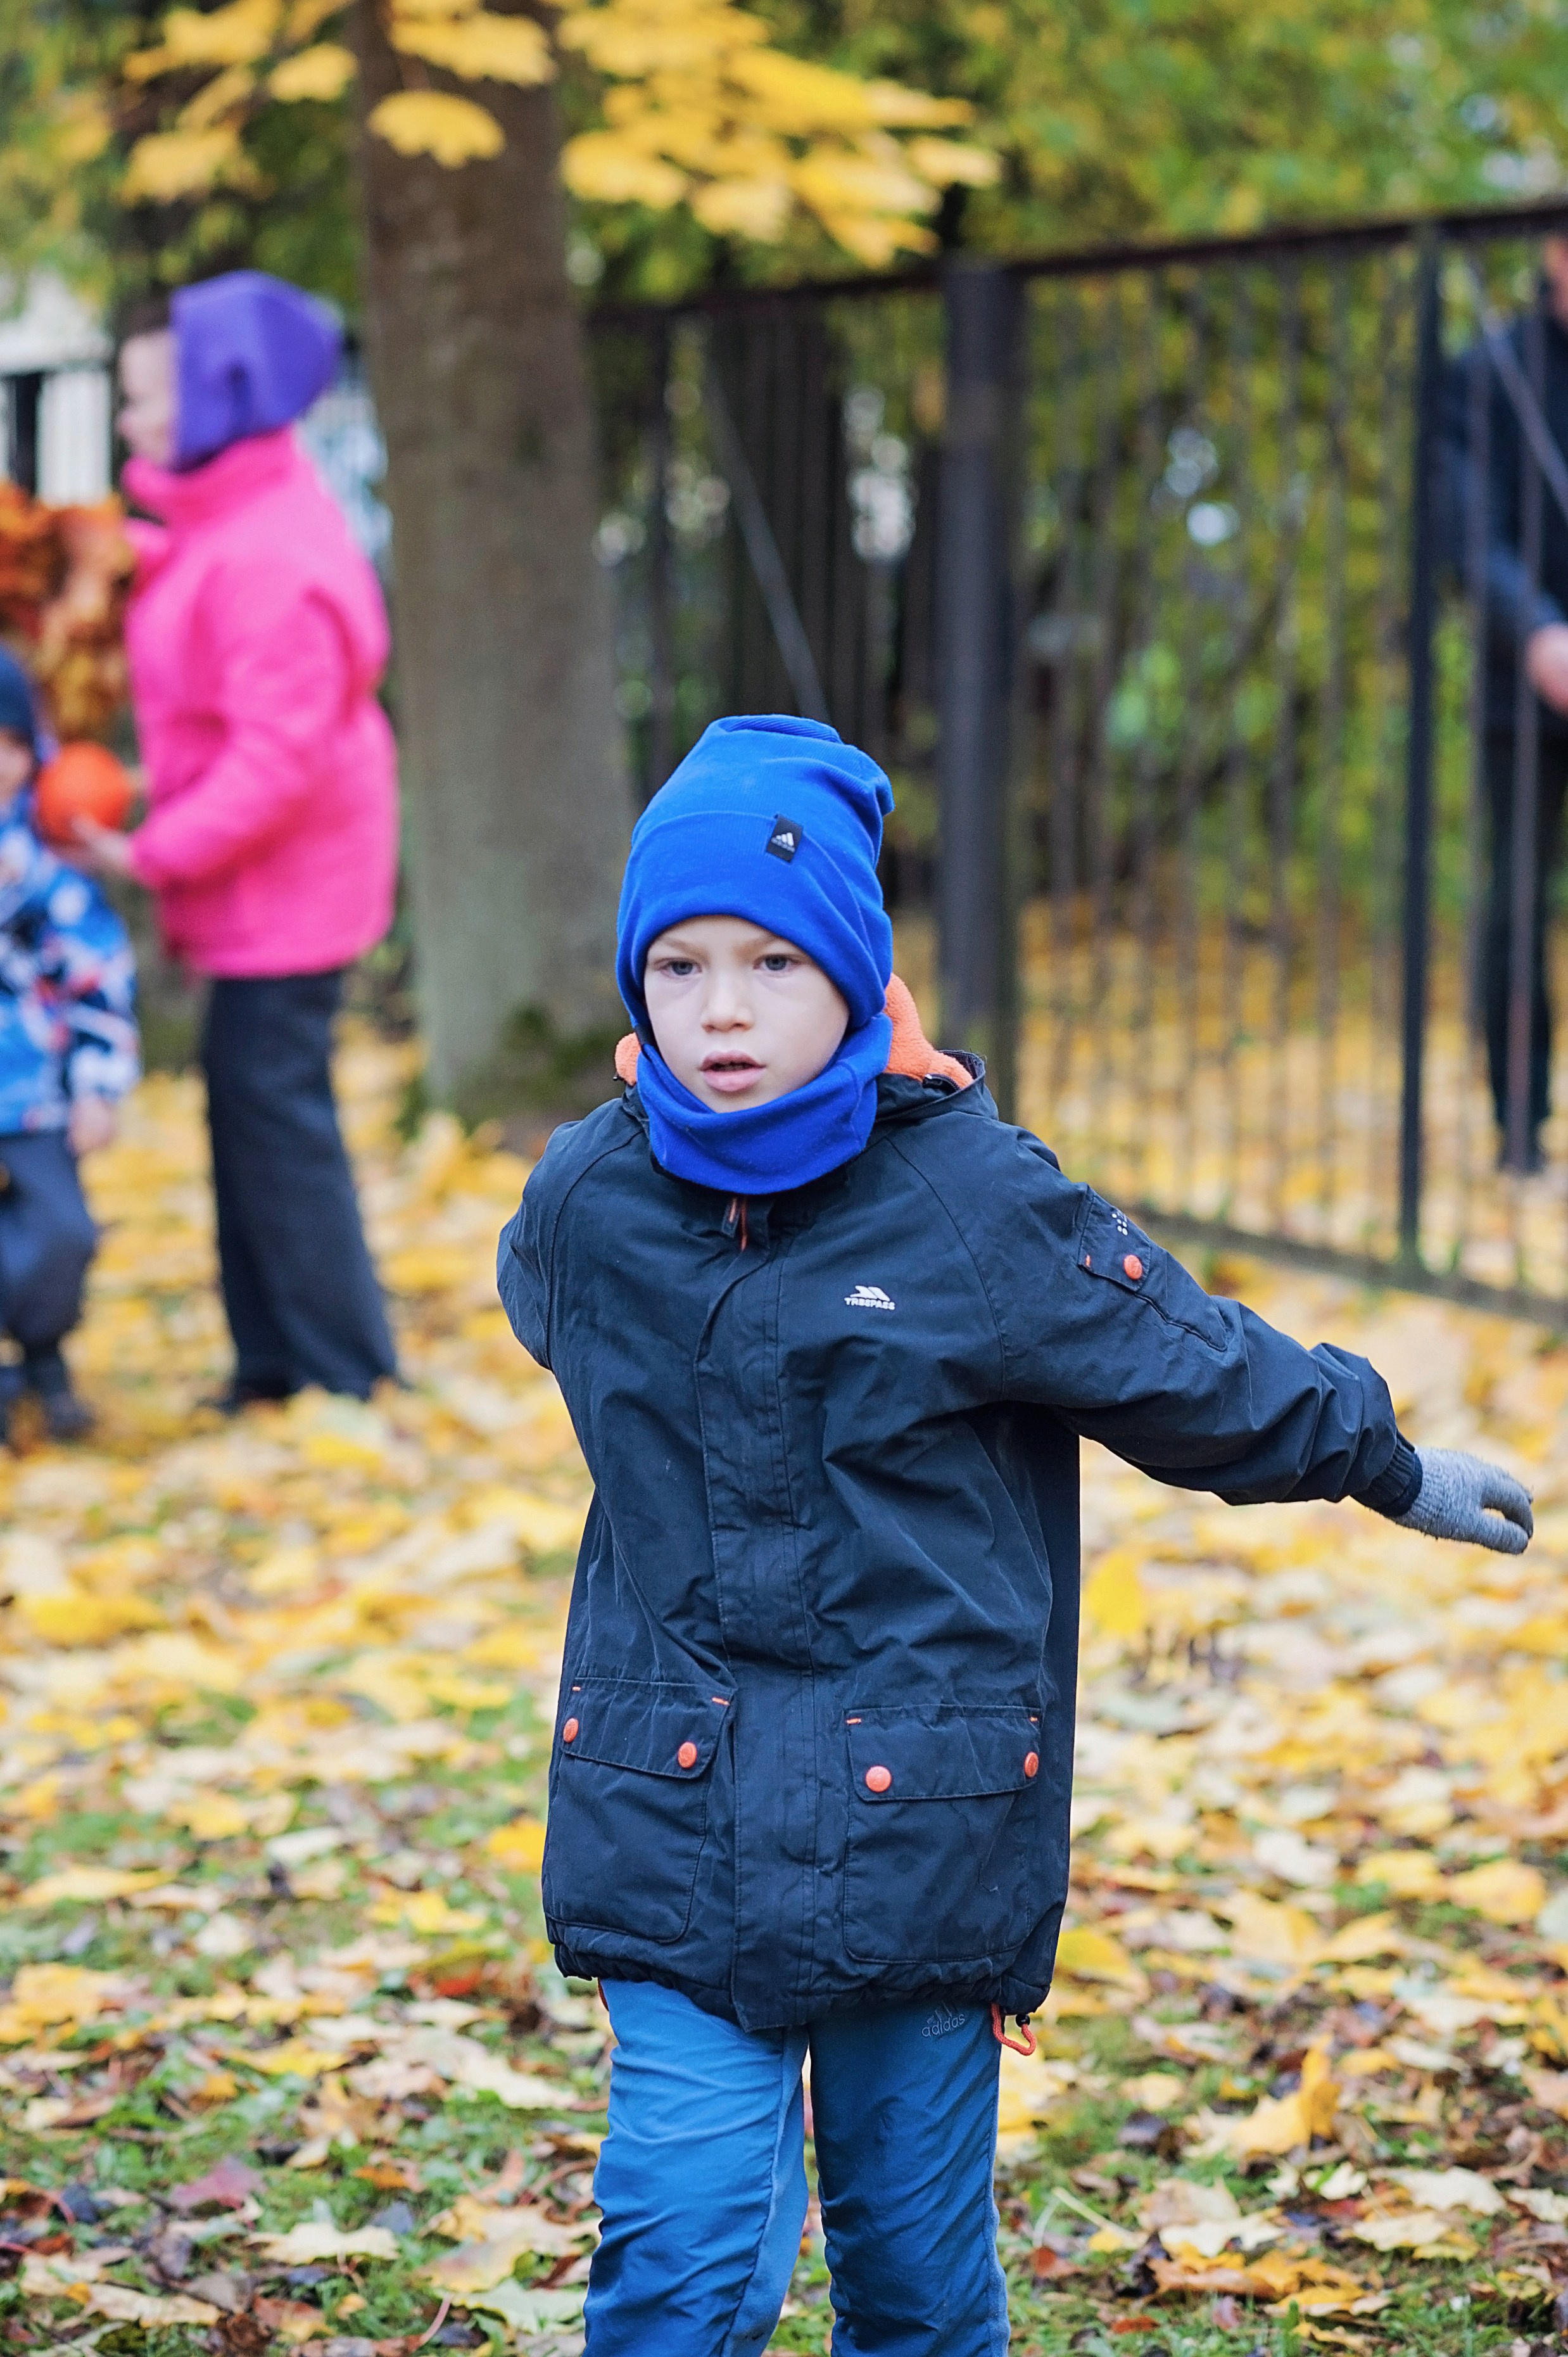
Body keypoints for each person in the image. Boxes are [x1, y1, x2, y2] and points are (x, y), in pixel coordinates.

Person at [496, 713, 1533, 2357]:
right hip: (669, 1810)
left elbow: (1179, 1359)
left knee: (914, 2287)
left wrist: (1382, 1459)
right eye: (679, 967)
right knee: (679, 2270)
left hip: (919, 1823)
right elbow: (549, 1310)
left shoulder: (970, 1203)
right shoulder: (586, 1200)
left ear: (857, 978)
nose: (722, 1012)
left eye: (772, 964)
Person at [79, 271, 399, 1406]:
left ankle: (343, 1368)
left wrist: (150, 853)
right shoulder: (227, 526)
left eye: (143, 398)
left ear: (218, 397)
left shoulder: (268, 558)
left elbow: (274, 759)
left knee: (277, 1123)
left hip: (291, 890)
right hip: (263, 885)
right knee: (246, 1109)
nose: (129, 421)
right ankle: (273, 1360)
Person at [1447, 236, 1568, 1171]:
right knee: (1516, 907)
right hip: (1523, 690)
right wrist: (1536, 631)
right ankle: (1518, 1129)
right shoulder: (1489, 371)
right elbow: (1469, 534)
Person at [0, 647, 138, 1441]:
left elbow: (97, 977)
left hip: (36, 1093)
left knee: (62, 1233)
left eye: (11, 745)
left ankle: (44, 1350)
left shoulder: (51, 872)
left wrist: (97, 1085)